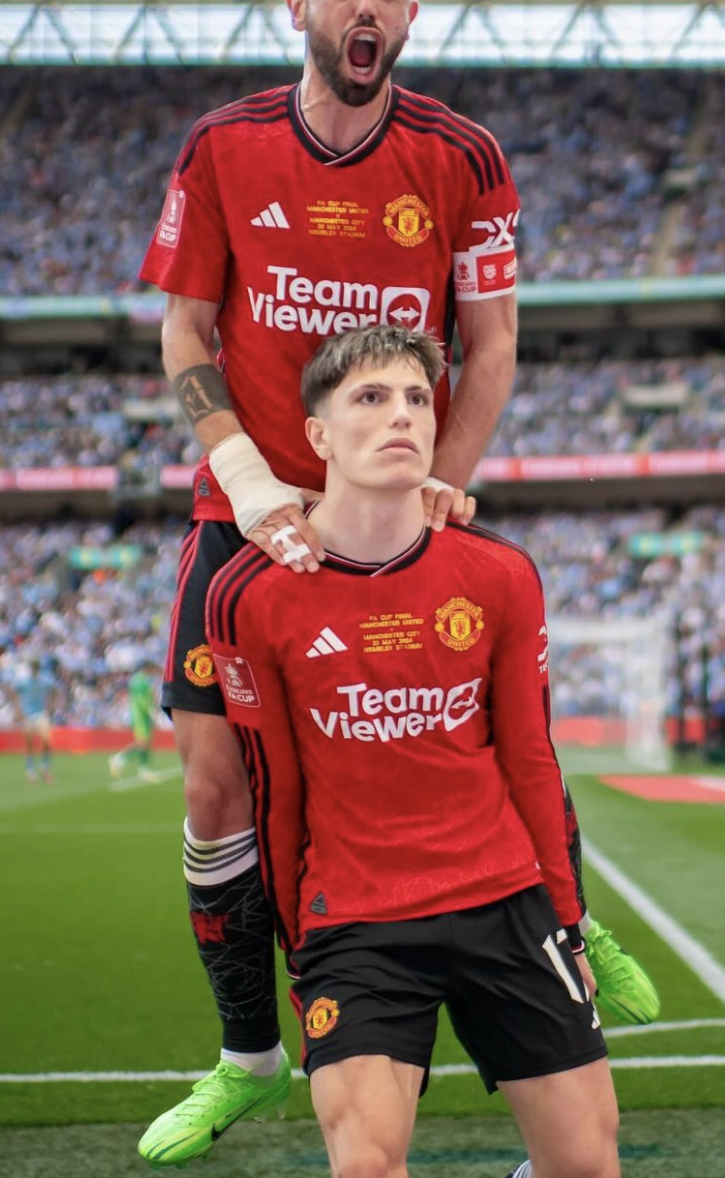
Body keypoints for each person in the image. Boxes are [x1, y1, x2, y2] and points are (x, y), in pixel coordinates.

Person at [136, 0, 656, 1168]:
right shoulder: (222, 146)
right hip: (250, 510)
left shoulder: (467, 157)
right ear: (298, 3)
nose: (365, 4)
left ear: (410, 12)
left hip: (395, 493)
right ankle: (249, 1054)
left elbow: (492, 345)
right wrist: (249, 477)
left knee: (487, 721)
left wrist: (443, 484)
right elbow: (185, 330)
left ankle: (565, 926)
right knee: (217, 788)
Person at [213, 325, 620, 1178]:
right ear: (318, 434)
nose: (401, 416)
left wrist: (567, 914)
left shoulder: (500, 574)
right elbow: (271, 790)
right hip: (356, 923)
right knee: (364, 1166)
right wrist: (300, 944)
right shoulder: (250, 597)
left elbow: (532, 762)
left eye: (415, 399)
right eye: (370, 398)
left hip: (505, 899)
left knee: (585, 1168)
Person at [8, 655, 58, 783]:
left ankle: (45, 767)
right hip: (27, 714)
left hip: (41, 713)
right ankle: (30, 770)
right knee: (29, 744)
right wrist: (17, 709)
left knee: (46, 741)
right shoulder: (23, 681)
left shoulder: (45, 680)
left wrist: (52, 706)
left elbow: (55, 691)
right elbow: (12, 691)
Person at [111, 661, 162, 782]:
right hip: (140, 716)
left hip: (143, 715)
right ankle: (119, 759)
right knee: (142, 742)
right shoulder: (140, 681)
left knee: (146, 742)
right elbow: (141, 700)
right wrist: (151, 711)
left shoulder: (143, 679)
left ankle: (144, 769)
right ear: (148, 668)